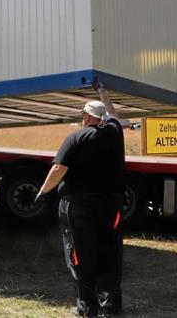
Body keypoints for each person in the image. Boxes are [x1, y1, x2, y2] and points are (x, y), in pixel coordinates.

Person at [35, 86, 125, 317]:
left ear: (86, 116)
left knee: (79, 253)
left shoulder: (76, 137)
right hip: (111, 205)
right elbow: (113, 113)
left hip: (78, 206)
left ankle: (87, 307)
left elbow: (58, 168)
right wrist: (104, 93)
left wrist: (43, 192)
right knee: (109, 252)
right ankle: (111, 304)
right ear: (102, 117)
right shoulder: (116, 133)